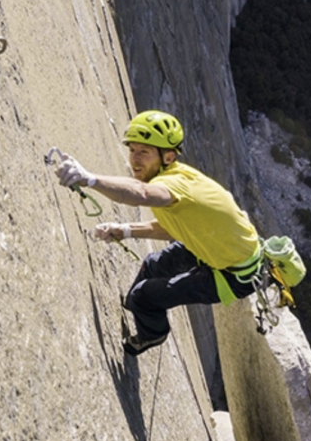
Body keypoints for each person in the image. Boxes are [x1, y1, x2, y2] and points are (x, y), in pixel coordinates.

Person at [55, 110, 263, 355]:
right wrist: (124, 230)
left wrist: (90, 180)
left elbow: (140, 194)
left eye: (144, 152)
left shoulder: (172, 185)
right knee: (152, 265)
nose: (135, 159)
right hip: (213, 246)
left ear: (168, 156)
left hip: (235, 274)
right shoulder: (172, 175)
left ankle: (152, 334)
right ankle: (138, 306)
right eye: (132, 150)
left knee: (144, 297)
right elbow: (173, 228)